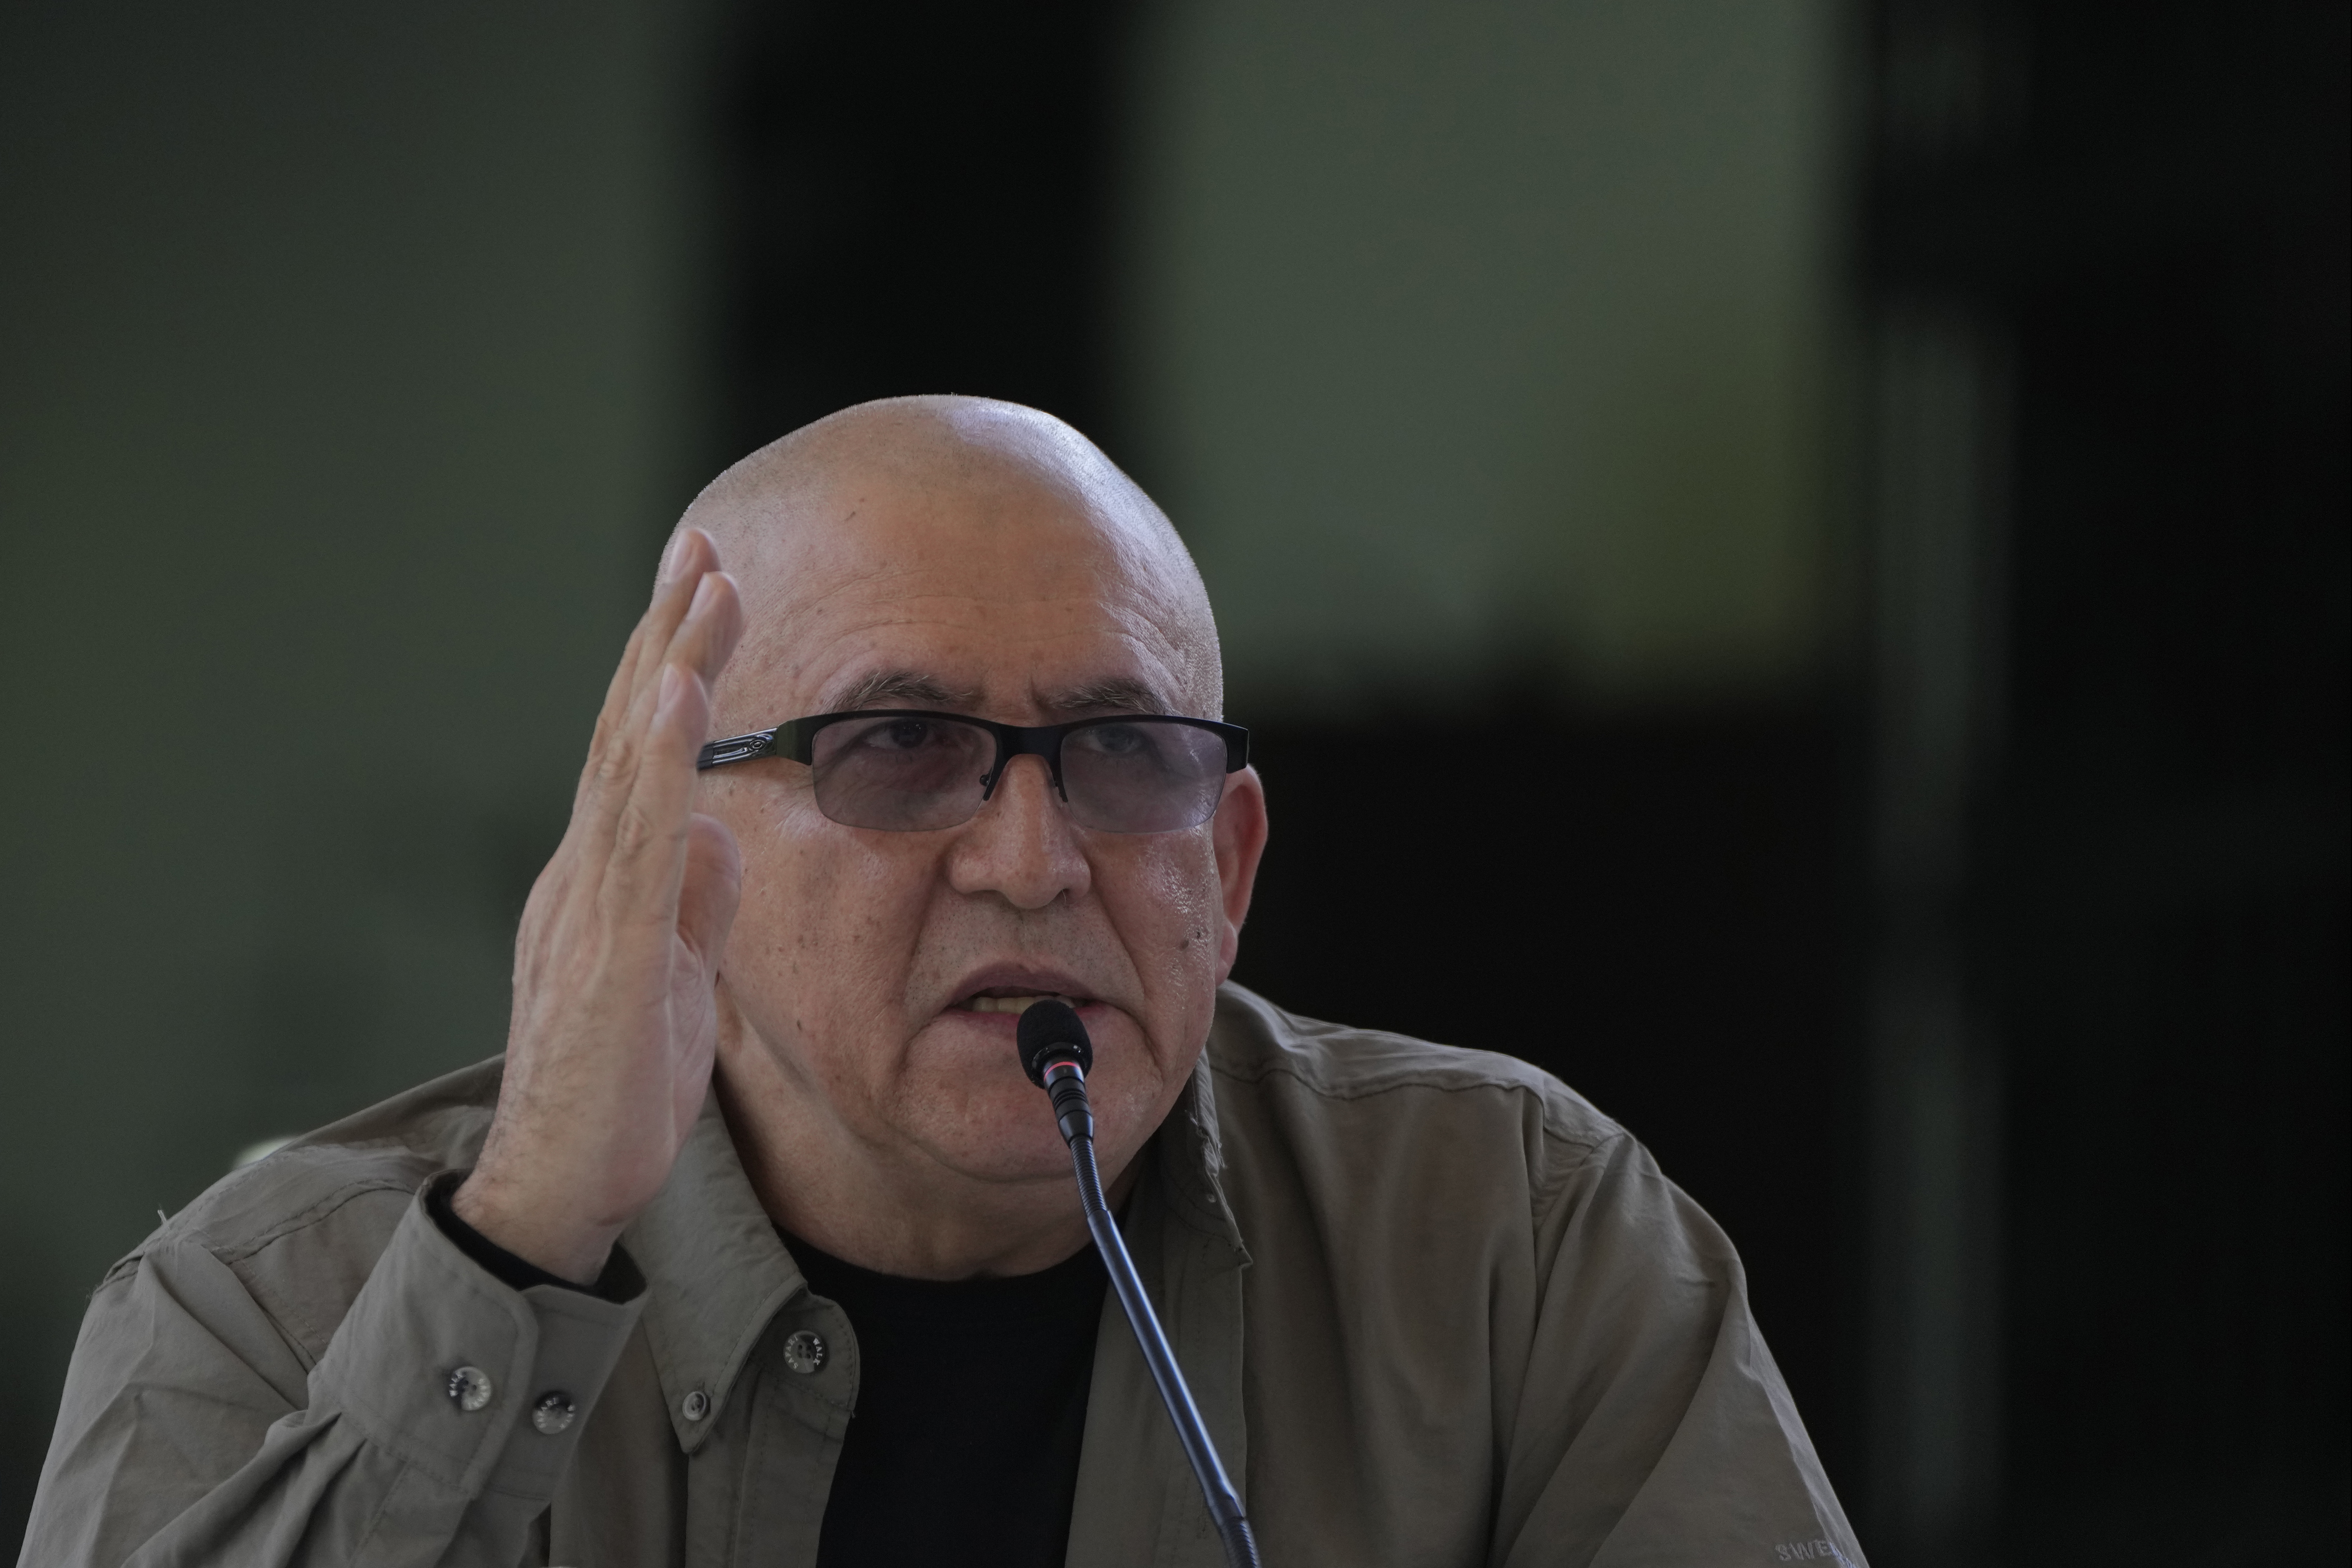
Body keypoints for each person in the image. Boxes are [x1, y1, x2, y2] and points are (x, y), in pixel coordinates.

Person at [21, 397, 1865, 1567]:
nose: (1033, 856)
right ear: (666, 846)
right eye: (900, 744)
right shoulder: (270, 1310)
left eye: (1122, 753)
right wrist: (519, 1247)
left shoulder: (1510, 1244)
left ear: (1226, 872)